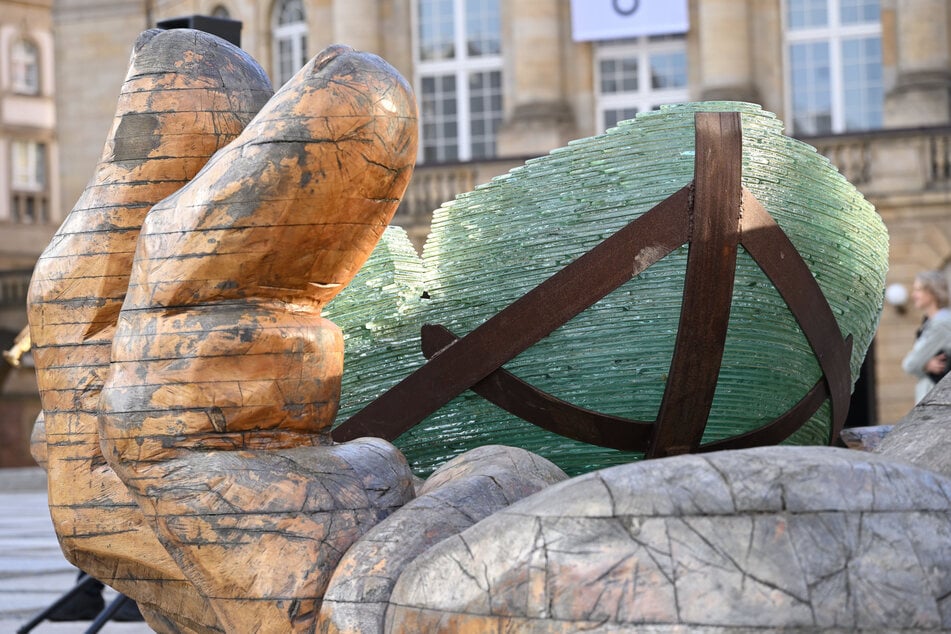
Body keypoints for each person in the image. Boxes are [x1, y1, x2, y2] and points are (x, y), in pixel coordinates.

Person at [901, 270, 951, 403]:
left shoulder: (942, 323)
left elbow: (910, 365)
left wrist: (921, 365)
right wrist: (925, 365)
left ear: (933, 292)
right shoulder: (933, 322)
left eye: (918, 290)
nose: (913, 295)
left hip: (937, 401)